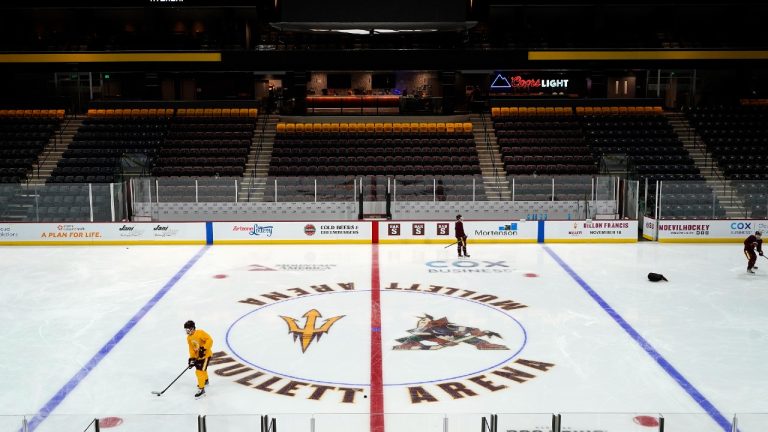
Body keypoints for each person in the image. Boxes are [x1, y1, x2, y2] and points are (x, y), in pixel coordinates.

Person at [184, 320, 213, 398]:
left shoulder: (200, 332)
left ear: (193, 328)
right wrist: (192, 358)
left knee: (199, 371)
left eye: (188, 330)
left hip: (206, 356)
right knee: (202, 369)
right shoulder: (189, 338)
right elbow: (191, 349)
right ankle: (205, 381)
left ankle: (201, 389)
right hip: (198, 357)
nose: (187, 331)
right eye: (186, 330)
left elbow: (209, 340)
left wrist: (204, 349)